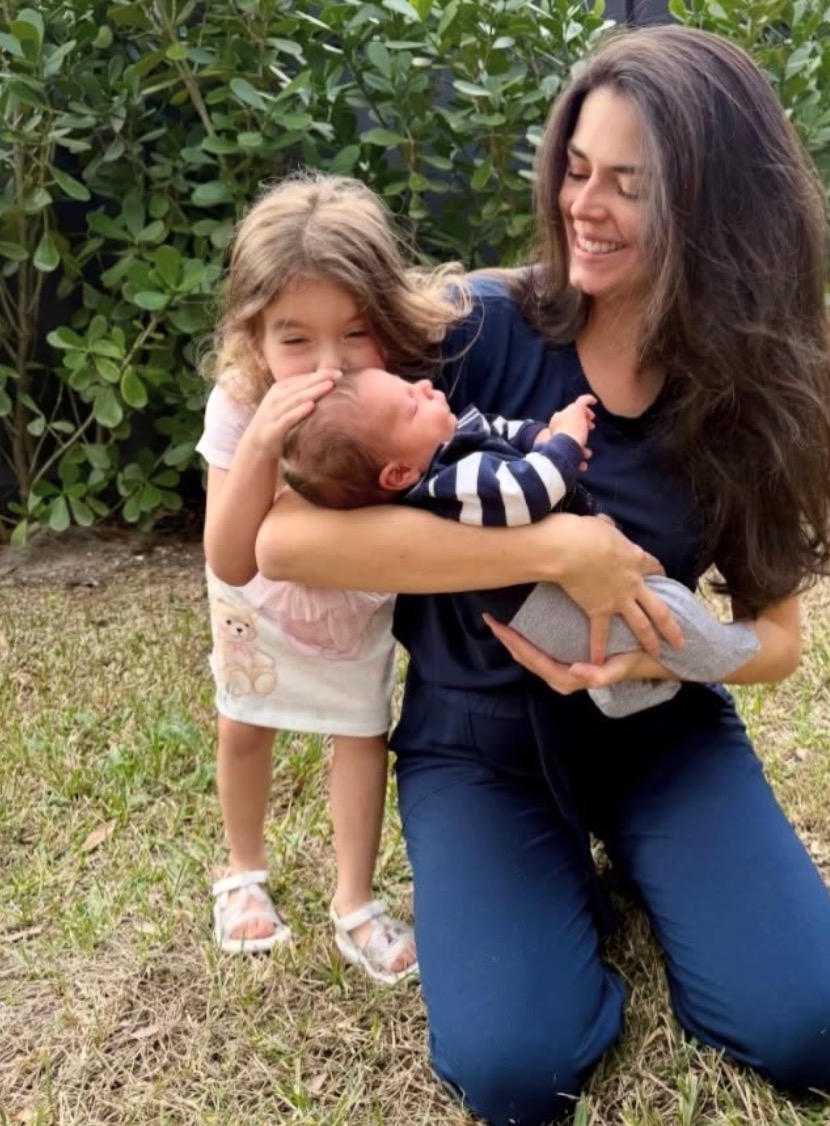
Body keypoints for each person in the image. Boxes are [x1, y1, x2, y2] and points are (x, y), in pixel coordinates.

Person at [256, 25, 830, 1125]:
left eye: (626, 185)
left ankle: (648, 860)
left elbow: (777, 641)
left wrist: (667, 646)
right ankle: (552, 895)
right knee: (516, 1070)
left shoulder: (746, 395)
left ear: (712, 209)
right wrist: (554, 548)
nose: (583, 204)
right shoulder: (481, 331)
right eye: (575, 169)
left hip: (660, 733)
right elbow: (291, 541)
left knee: (811, 1032)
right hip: (477, 750)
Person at [197, 172, 462, 983]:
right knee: (246, 726)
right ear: (253, 334)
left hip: (350, 609)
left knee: (360, 735)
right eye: (295, 339)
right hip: (258, 610)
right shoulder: (243, 403)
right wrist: (264, 445)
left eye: (354, 334)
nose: (330, 364)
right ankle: (244, 872)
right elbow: (228, 552)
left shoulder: (400, 396)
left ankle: (355, 900)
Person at [279, 367, 759, 718]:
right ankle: (724, 649)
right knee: (664, 617)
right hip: (543, 604)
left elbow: (498, 430)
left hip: (555, 592)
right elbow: (531, 492)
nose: (425, 387)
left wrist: (541, 432)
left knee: (629, 626)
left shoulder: (452, 447)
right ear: (399, 472)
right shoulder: (448, 485)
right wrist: (565, 442)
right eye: (411, 403)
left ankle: (636, 691)